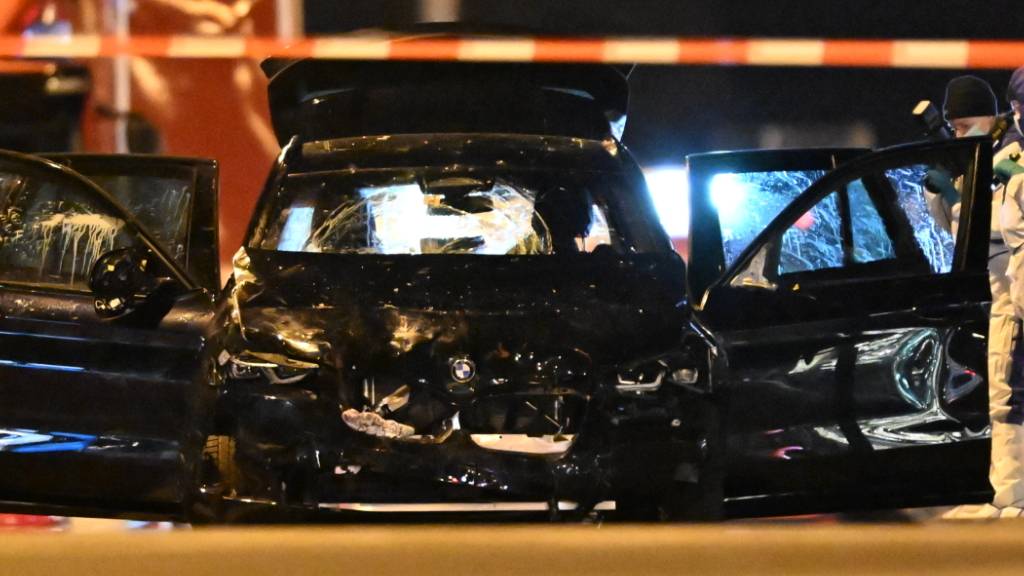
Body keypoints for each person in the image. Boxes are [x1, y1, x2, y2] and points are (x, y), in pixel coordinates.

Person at [937, 73, 1024, 519]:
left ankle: (1012, 500)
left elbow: (988, 228)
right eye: (954, 128)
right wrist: (947, 192)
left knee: (1008, 401)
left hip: (1013, 295)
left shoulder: (1009, 154)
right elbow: (960, 232)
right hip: (1003, 297)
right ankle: (1008, 497)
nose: (960, 133)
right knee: (1006, 402)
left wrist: (958, 195)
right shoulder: (993, 155)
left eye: (965, 123)